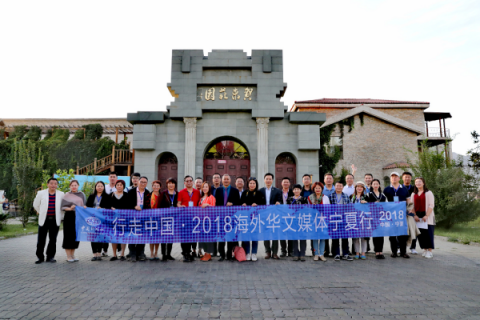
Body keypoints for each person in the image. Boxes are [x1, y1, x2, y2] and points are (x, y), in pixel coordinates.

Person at [33, 178, 65, 264]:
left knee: (53, 239)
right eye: (51, 183)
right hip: (44, 219)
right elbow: (36, 205)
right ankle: (40, 257)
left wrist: (61, 216)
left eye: (55, 183)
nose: (53, 185)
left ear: (57, 185)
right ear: (47, 184)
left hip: (55, 220)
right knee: (41, 240)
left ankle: (50, 257)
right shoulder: (41, 193)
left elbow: (63, 207)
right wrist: (42, 212)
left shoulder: (61, 194)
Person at [383, 172, 411, 259]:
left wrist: (409, 210)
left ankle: (403, 252)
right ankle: (394, 252)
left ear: (399, 178)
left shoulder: (404, 189)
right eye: (392, 177)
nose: (394, 178)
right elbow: (383, 202)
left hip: (402, 215)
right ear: (390, 179)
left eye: (396, 177)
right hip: (391, 216)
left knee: (402, 234)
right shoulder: (386, 189)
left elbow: (408, 201)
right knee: (392, 235)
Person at [214, 174, 241, 261]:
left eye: (227, 179)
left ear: (230, 180)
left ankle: (229, 255)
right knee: (222, 237)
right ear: (222, 181)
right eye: (224, 179)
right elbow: (216, 203)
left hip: (232, 218)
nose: (226, 180)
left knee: (230, 237)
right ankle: (222, 255)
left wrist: (232, 204)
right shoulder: (218, 190)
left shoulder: (235, 190)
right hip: (221, 217)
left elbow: (238, 203)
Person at [126, 176, 151, 262]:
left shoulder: (147, 193)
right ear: (138, 182)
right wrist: (134, 206)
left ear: (146, 183)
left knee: (142, 235)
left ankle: (141, 253)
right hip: (132, 217)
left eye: (145, 182)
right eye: (141, 182)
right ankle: (132, 253)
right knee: (132, 235)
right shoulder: (131, 191)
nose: (143, 184)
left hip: (143, 217)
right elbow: (127, 203)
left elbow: (149, 205)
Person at [240, 177, 265, 261]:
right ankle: (247, 253)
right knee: (246, 236)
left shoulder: (259, 193)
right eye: (250, 183)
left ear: (256, 184)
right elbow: (240, 203)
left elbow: (263, 204)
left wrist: (257, 204)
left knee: (254, 236)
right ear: (248, 184)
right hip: (246, 218)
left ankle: (254, 253)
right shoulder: (245, 193)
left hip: (256, 218)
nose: (252, 185)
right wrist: (242, 204)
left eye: (254, 183)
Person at [177, 175, 201, 262]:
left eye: (190, 180)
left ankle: (190, 252)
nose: (189, 182)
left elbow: (200, 203)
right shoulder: (181, 192)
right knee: (184, 236)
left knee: (192, 236)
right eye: (187, 181)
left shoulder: (197, 192)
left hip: (194, 218)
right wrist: (180, 206)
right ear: (184, 183)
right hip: (184, 217)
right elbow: (178, 203)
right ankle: (185, 253)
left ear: (193, 182)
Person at [258, 173, 282, 259]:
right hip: (264, 216)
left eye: (270, 179)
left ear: (272, 180)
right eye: (266, 179)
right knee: (266, 234)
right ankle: (268, 252)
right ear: (264, 180)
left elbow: (280, 200)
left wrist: (279, 202)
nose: (268, 180)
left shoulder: (277, 191)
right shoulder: (260, 191)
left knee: (275, 234)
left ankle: (275, 253)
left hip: (274, 216)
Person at [61, 180, 85, 263]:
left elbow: (83, 205)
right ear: (70, 186)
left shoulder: (82, 195)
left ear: (78, 186)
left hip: (78, 217)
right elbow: (63, 207)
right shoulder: (66, 195)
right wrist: (70, 208)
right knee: (68, 236)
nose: (74, 186)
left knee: (75, 236)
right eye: (72, 185)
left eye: (75, 185)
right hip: (69, 216)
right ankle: (68, 256)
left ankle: (73, 255)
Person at [411, 177, 435, 259]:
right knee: (421, 234)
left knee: (429, 234)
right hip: (417, 216)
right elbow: (411, 206)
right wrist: (414, 215)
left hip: (427, 216)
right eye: (416, 182)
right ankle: (424, 249)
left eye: (420, 182)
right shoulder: (413, 194)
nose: (418, 183)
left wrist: (426, 215)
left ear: (423, 183)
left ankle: (430, 251)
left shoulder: (428, 193)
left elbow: (431, 205)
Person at [85, 181, 110, 261]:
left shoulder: (107, 196)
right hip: (93, 219)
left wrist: (102, 208)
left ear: (103, 187)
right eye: (98, 186)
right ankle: (94, 254)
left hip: (102, 219)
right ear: (95, 187)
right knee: (93, 236)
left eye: (101, 186)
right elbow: (88, 206)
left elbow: (109, 207)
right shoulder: (91, 196)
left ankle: (99, 253)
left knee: (101, 236)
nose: (99, 187)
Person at [328, 181, 353, 262]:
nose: (339, 187)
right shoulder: (330, 196)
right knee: (335, 238)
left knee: (345, 237)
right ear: (334, 187)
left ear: (343, 187)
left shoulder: (346, 196)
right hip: (334, 219)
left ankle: (345, 254)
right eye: (337, 186)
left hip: (344, 219)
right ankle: (336, 254)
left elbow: (349, 208)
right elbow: (328, 208)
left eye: (340, 186)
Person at [365, 179, 388, 259]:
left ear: (379, 185)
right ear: (371, 185)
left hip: (381, 218)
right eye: (374, 183)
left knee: (381, 235)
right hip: (372, 218)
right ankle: (376, 252)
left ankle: (380, 251)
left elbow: (387, 206)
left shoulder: (383, 195)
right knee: (375, 235)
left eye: (377, 183)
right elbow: (364, 204)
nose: (375, 185)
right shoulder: (368, 194)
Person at [308, 181, 330, 262]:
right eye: (316, 188)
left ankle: (322, 254)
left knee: (322, 238)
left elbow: (328, 209)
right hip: (313, 220)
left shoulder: (325, 198)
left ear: (322, 189)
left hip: (323, 220)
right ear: (313, 189)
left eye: (319, 188)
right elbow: (308, 210)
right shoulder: (310, 198)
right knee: (315, 238)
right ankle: (316, 254)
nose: (317, 189)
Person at [287, 184, 308, 261]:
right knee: (294, 238)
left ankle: (302, 254)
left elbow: (306, 209)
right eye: (295, 189)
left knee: (302, 238)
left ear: (300, 190)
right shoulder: (289, 199)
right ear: (293, 191)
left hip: (302, 220)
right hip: (292, 221)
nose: (296, 191)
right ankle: (295, 253)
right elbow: (287, 209)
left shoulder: (304, 199)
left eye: (298, 189)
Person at [158, 177, 178, 261]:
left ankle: (169, 254)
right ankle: (163, 254)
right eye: (169, 183)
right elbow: (159, 205)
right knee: (164, 236)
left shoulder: (177, 193)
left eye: (172, 183)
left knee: (171, 237)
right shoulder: (163, 193)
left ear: (174, 185)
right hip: (164, 218)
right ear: (167, 184)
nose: (171, 185)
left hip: (174, 218)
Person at [109, 179, 129, 261]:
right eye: (118, 185)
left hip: (124, 218)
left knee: (123, 236)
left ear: (123, 186)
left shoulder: (127, 195)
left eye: (121, 185)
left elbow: (129, 205)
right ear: (115, 186)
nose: (119, 186)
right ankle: (114, 254)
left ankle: (122, 254)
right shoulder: (111, 195)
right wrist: (111, 208)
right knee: (114, 236)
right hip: (113, 219)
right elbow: (108, 205)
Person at [144, 180, 162, 261]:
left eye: (157, 186)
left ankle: (156, 252)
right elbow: (146, 206)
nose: (156, 187)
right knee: (151, 236)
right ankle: (151, 252)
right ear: (152, 186)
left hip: (160, 219)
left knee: (158, 236)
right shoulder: (148, 195)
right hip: (150, 218)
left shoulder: (162, 195)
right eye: (154, 186)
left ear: (160, 187)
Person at [198, 181, 216, 261]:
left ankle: (209, 254)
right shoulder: (201, 198)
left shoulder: (211, 197)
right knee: (203, 238)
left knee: (208, 238)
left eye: (206, 187)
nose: (205, 188)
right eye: (203, 187)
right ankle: (205, 253)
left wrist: (207, 205)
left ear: (209, 188)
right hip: (201, 221)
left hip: (208, 221)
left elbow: (213, 208)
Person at [350, 182, 368, 260]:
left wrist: (366, 203)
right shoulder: (352, 197)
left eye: (361, 187)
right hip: (354, 218)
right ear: (355, 188)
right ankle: (357, 252)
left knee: (363, 237)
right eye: (358, 187)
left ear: (363, 189)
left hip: (363, 219)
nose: (359, 188)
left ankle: (363, 252)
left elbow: (371, 206)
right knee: (356, 237)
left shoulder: (366, 196)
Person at [102, 171, 118, 257]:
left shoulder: (119, 187)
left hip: (116, 214)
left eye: (114, 176)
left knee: (117, 231)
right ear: (108, 178)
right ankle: (105, 250)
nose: (112, 178)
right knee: (106, 232)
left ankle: (118, 250)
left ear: (116, 178)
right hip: (106, 213)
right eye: (111, 176)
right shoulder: (105, 188)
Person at [402, 171, 418, 254]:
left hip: (412, 211)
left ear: (411, 178)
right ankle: (401, 247)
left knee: (413, 229)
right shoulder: (400, 188)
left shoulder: (414, 188)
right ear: (402, 178)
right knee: (402, 230)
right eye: (405, 177)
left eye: (408, 177)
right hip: (402, 212)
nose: (407, 178)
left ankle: (413, 247)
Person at [279, 177, 294, 257]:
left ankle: (290, 251)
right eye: (284, 182)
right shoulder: (278, 192)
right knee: (282, 234)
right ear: (281, 183)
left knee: (290, 233)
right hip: (281, 215)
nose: (285, 183)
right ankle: (283, 251)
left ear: (289, 184)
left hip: (290, 216)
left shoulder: (293, 192)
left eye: (287, 182)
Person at [322, 173, 335, 257]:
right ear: (324, 180)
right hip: (324, 215)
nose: (329, 180)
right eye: (327, 178)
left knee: (334, 233)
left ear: (333, 180)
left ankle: (334, 251)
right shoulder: (321, 189)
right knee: (325, 233)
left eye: (330, 178)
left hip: (335, 214)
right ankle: (325, 251)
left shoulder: (336, 188)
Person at [211, 173, 222, 257]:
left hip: (221, 214)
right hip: (211, 214)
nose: (216, 179)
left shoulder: (223, 189)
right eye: (215, 178)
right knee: (213, 232)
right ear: (212, 180)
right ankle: (213, 251)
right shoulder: (209, 189)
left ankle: (220, 250)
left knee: (221, 232)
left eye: (218, 178)